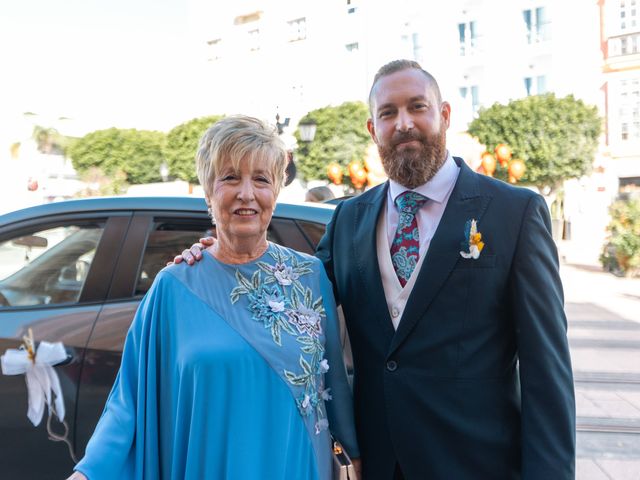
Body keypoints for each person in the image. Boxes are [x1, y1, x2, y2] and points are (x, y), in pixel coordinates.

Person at [176, 60, 575, 479]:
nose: (403, 123)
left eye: (417, 107)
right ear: (373, 129)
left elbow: (546, 372)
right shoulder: (349, 219)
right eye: (388, 113)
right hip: (378, 467)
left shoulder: (514, 213)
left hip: (478, 465)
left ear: (444, 115)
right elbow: (288, 293)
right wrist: (214, 260)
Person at [67, 115, 359, 480]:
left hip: (296, 465)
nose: (247, 193)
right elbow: (129, 402)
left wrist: (355, 461)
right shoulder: (172, 287)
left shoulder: (310, 275)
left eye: (262, 179)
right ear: (208, 191)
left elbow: (337, 392)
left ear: (276, 191)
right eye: (231, 177)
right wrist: (89, 473)